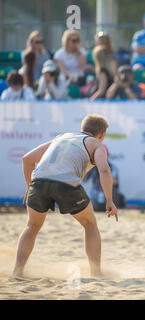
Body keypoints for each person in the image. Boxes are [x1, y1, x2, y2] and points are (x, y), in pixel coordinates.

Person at [12, 114, 118, 278]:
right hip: (66, 184)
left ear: (83, 128)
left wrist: (29, 187)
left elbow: (27, 159)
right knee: (90, 224)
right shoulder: (96, 144)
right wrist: (110, 200)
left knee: (32, 226)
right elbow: (104, 169)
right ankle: (96, 273)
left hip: (39, 182)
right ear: (102, 134)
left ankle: (17, 271)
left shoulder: (62, 137)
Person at [84, 145, 126, 211]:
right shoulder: (92, 167)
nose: (101, 157)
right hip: (95, 197)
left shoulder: (112, 167)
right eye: (98, 155)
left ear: (107, 155)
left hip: (108, 197)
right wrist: (88, 165)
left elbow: (114, 182)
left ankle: (111, 206)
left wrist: (104, 174)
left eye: (103, 155)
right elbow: (84, 179)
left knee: (113, 188)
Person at [90, 32, 117, 100]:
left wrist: (89, 101)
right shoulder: (104, 69)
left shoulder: (103, 71)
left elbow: (101, 91)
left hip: (104, 102)